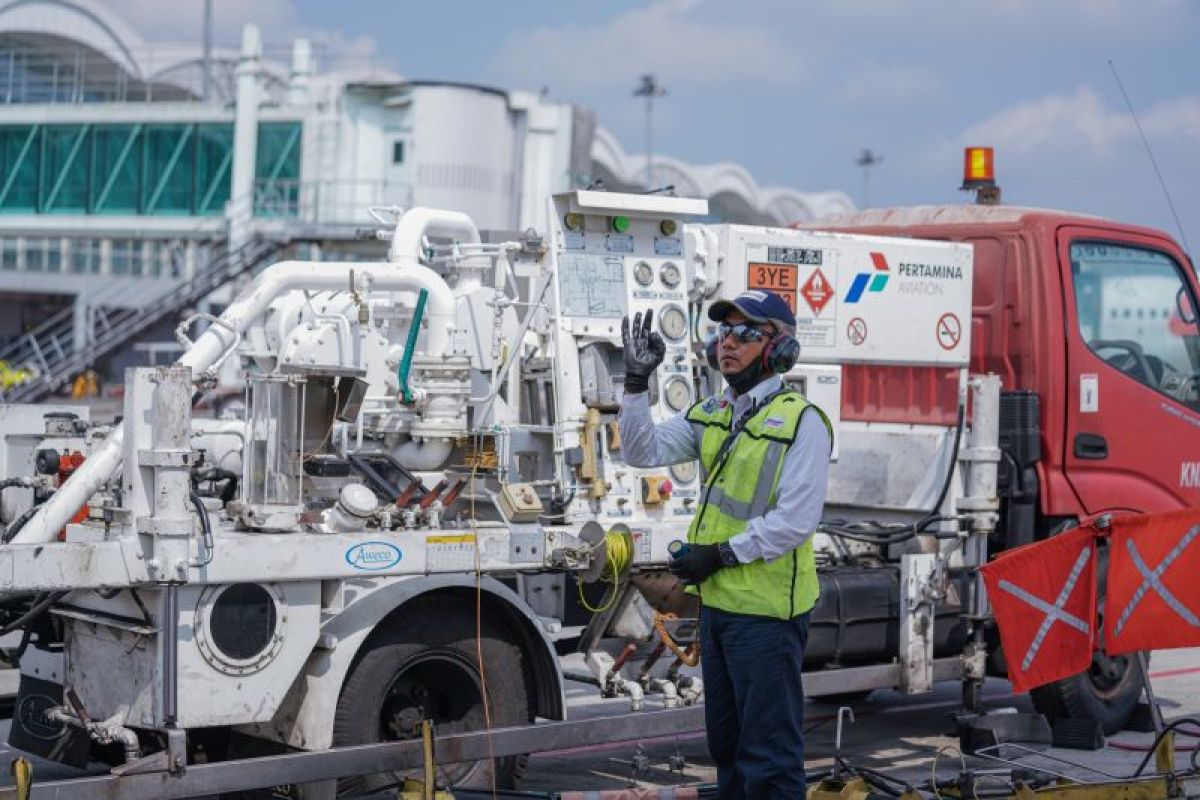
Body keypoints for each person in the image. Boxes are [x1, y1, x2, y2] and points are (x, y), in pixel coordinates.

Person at [617, 289, 832, 800]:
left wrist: (719, 555)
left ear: (779, 348)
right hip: (718, 611)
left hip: (767, 616)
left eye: (744, 332)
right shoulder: (714, 411)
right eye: (722, 332)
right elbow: (640, 449)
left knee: (769, 758)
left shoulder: (802, 423)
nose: (726, 343)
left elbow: (795, 522)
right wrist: (634, 384)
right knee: (727, 750)